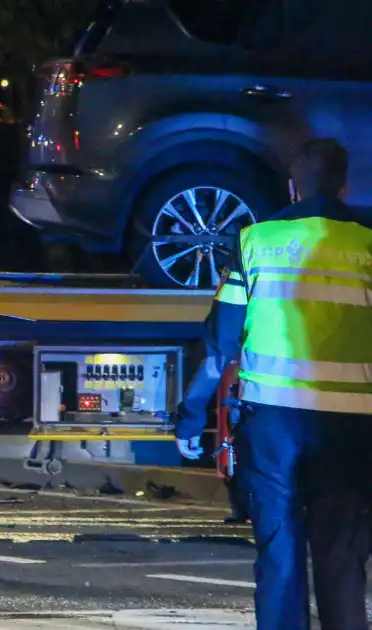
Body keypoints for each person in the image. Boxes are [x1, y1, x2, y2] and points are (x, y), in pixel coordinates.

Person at [174, 138, 372, 629]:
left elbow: (221, 346)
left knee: (280, 552)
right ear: (344, 185)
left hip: (273, 425)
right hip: (351, 427)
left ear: (292, 186)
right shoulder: (367, 243)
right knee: (343, 557)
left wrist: (191, 415)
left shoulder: (254, 241)